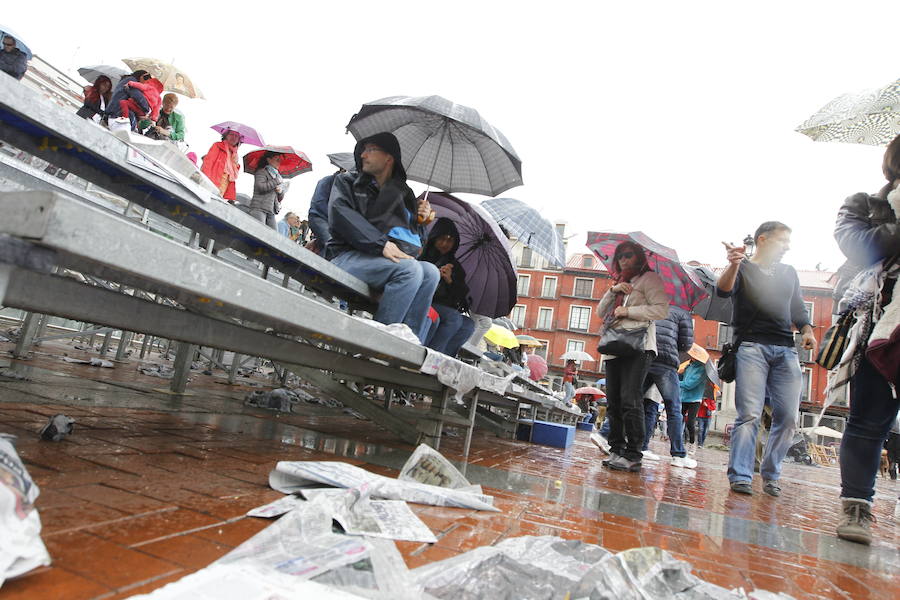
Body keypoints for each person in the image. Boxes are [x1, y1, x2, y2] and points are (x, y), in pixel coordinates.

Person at [831, 134, 900, 544]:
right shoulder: (864, 204)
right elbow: (859, 248)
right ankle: (856, 507)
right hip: (883, 326)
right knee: (870, 420)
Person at [716, 221, 816, 497]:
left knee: (787, 417)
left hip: (786, 349)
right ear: (762, 240)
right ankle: (741, 474)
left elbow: (797, 307)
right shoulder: (744, 267)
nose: (787, 247)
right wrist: (734, 262)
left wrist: (807, 330)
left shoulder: (788, 272)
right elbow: (722, 290)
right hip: (751, 348)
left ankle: (771, 474)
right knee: (748, 414)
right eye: (782, 241)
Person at [326, 132, 439, 342]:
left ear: (389, 158)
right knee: (410, 270)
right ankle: (377, 343)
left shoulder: (403, 195)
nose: (363, 156)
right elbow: (340, 215)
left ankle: (407, 341)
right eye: (363, 150)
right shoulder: (348, 182)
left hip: (381, 263)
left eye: (370, 150)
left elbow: (414, 245)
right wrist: (381, 244)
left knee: (431, 272)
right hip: (346, 256)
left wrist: (422, 222)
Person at [596, 241, 669, 472]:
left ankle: (634, 453)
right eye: (620, 256)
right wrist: (613, 291)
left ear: (639, 257)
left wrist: (629, 311)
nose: (624, 260)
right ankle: (616, 449)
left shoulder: (650, 279)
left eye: (629, 255)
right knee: (614, 401)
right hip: (614, 345)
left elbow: (660, 309)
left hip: (639, 346)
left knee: (630, 398)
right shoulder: (619, 282)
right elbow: (600, 312)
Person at [641, 305, 695, 467]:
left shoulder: (653, 305)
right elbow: (686, 344)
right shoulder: (682, 312)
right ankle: (678, 454)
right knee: (673, 409)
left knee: (632, 400)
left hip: (646, 356)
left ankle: (606, 434)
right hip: (666, 361)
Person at [418, 218, 476, 357]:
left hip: (444, 307)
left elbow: (460, 299)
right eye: (442, 239)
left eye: (450, 240)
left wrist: (450, 281)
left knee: (468, 325)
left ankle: (445, 357)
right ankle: (432, 356)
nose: (445, 244)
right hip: (423, 300)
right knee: (453, 319)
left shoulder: (456, 267)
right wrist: (432, 275)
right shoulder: (422, 255)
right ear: (434, 238)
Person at [308, 169, 346, 255]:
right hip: (319, 217)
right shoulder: (326, 181)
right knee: (332, 246)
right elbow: (319, 206)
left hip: (333, 224)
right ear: (342, 169)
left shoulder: (345, 186)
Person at [201, 129, 242, 203]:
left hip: (225, 184)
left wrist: (236, 163)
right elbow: (208, 162)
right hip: (213, 181)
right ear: (226, 135)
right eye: (231, 134)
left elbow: (233, 176)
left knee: (216, 203)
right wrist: (205, 181)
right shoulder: (218, 145)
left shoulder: (235, 155)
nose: (234, 137)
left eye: (236, 136)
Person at [678, 350, 707, 455]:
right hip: (683, 397)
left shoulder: (703, 370)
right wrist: (679, 374)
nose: (691, 356)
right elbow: (682, 379)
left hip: (695, 399)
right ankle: (678, 441)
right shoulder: (688, 366)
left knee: (690, 422)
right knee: (677, 419)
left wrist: (676, 382)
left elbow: (689, 384)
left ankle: (691, 443)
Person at [249, 151, 285, 229]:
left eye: (280, 160)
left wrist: (280, 191)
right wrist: (276, 181)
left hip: (271, 210)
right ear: (269, 160)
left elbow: (280, 198)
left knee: (273, 236)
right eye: (277, 160)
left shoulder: (277, 176)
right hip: (259, 208)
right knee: (259, 232)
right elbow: (260, 187)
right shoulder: (261, 172)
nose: (279, 162)